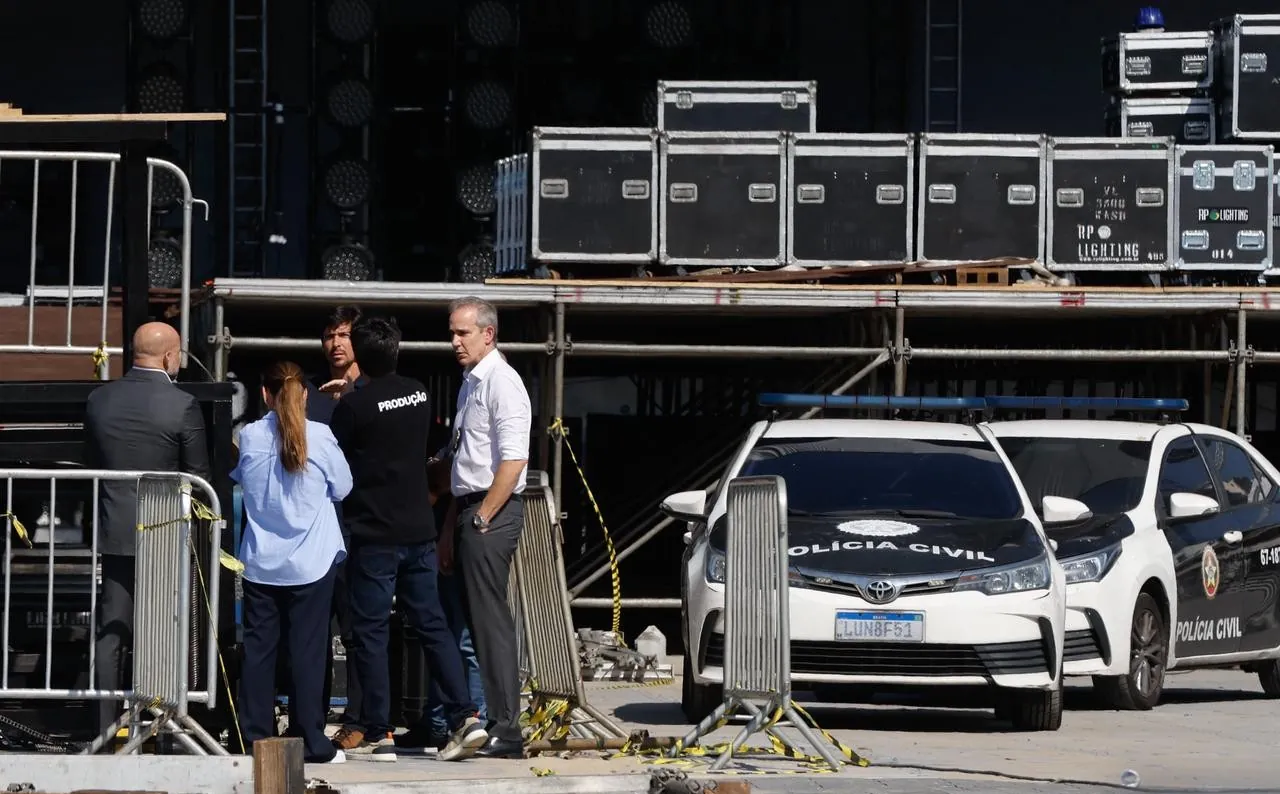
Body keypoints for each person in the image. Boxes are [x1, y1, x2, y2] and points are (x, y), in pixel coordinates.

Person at [328, 315, 487, 761]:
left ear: (358, 356)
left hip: (374, 533)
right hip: (418, 529)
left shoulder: (353, 408)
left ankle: (379, 728)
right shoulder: (419, 393)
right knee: (432, 624)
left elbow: (336, 460)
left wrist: (348, 396)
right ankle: (465, 716)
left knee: (371, 632)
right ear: (396, 351)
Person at [84, 321, 211, 741]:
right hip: (164, 529)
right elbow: (199, 475)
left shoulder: (100, 400)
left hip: (115, 528)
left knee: (112, 629)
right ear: (170, 356)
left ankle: (105, 728)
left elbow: (91, 461)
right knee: (162, 629)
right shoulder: (183, 404)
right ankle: (161, 725)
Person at [232, 361, 351, 765]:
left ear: (265, 395)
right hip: (311, 561)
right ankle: (310, 739)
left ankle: (254, 736)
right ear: (305, 395)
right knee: (307, 651)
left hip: (262, 560)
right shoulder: (321, 435)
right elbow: (344, 487)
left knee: (259, 650)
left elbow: (241, 480)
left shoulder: (250, 435)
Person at [436, 296, 532, 759]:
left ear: (488, 335)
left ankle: (507, 728)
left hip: (491, 511)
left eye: (463, 333)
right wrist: (452, 524)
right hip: (469, 508)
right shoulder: (470, 384)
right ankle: (482, 719)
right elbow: (464, 463)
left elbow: (514, 460)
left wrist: (482, 516)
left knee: (490, 623)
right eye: (452, 333)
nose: (455, 342)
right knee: (473, 623)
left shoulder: (501, 382)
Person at [393, 424, 487, 751]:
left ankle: (474, 719)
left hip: (459, 535)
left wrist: (446, 531)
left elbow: (451, 482)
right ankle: (438, 722)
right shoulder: (453, 431)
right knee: (443, 635)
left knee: (462, 638)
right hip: (440, 535)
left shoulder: (469, 432)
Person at [305, 306, 368, 733]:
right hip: (316, 526)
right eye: (329, 335)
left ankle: (360, 718)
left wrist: (351, 399)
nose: (336, 343)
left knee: (357, 627)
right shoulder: (309, 394)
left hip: (361, 524)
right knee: (313, 630)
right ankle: (311, 717)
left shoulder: (373, 391)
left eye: (343, 335)